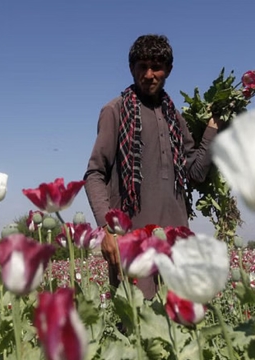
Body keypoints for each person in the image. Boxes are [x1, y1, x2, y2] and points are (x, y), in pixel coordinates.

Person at [83, 34, 224, 299]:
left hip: (176, 245)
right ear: (131, 69)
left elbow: (195, 172)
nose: (149, 74)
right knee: (138, 328)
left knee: (179, 328)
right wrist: (106, 229)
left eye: (157, 66)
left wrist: (213, 128)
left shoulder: (175, 118)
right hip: (133, 247)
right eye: (142, 66)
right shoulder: (115, 111)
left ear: (168, 69)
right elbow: (94, 173)